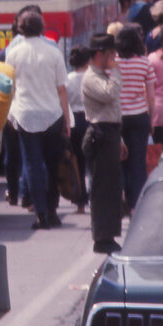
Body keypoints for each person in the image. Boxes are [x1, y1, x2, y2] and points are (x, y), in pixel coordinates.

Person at [5, 9, 71, 230]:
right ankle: (53, 210)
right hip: (52, 114)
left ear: (20, 28)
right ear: (42, 26)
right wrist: (66, 120)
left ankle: (40, 213)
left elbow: (9, 87)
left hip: (25, 114)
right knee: (53, 165)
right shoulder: (53, 51)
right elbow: (62, 89)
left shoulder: (13, 53)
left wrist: (8, 115)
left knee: (32, 164)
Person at [81, 33, 122, 253]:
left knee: (112, 187)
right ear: (100, 54)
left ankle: (109, 234)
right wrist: (115, 70)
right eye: (110, 54)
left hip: (112, 132)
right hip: (101, 134)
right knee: (102, 188)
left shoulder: (103, 75)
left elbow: (113, 107)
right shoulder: (91, 78)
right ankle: (102, 237)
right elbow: (110, 94)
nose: (114, 57)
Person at [115, 25, 156, 215]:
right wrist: (151, 120)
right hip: (139, 116)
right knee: (138, 162)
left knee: (119, 161)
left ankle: (121, 198)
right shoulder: (144, 63)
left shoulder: (113, 64)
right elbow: (151, 96)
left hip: (119, 118)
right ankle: (135, 204)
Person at [66, 46, 91, 214]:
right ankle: (96, 199)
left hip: (74, 120)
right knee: (94, 161)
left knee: (78, 164)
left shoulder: (68, 79)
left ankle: (80, 202)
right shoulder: (92, 78)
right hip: (90, 118)